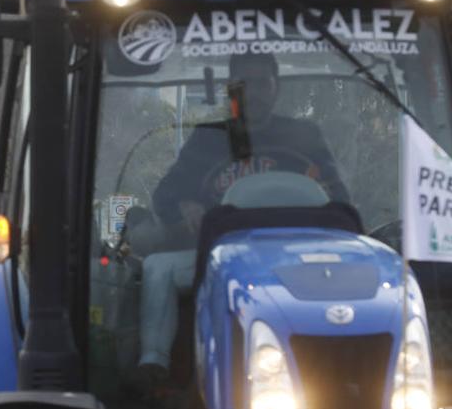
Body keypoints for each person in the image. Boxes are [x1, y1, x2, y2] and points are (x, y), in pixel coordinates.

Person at [137, 55, 349, 373]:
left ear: (276, 88)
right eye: (245, 84)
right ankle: (152, 368)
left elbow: (340, 201)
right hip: (218, 259)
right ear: (231, 90)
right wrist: (184, 205)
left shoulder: (305, 136)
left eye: (263, 83)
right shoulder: (207, 139)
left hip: (299, 260)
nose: (255, 93)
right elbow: (164, 196)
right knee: (157, 268)